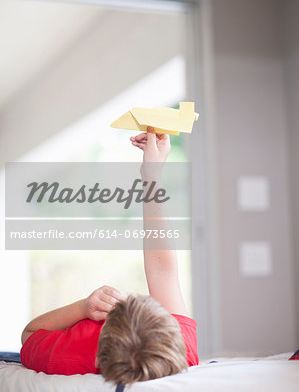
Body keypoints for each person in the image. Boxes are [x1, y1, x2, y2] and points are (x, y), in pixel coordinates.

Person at [20, 127, 199, 385]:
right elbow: (163, 271)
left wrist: (83, 308)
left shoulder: (78, 349)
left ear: (102, 332)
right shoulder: (179, 347)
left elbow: (30, 333)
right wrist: (151, 175)